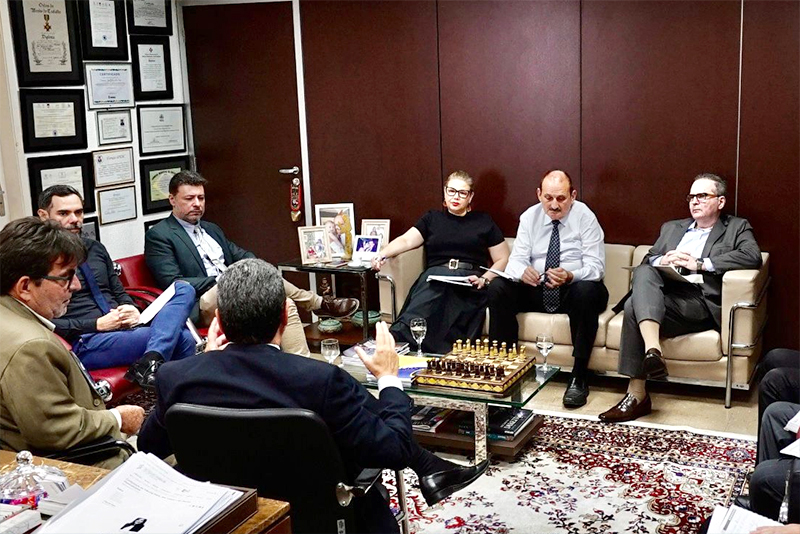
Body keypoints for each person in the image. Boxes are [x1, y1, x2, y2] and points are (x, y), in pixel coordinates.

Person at [137, 259, 488, 533]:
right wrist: (388, 379)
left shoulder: (176, 377)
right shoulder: (320, 380)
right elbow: (392, 449)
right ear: (283, 316)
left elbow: (149, 447)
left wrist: (205, 360)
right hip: (320, 521)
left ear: (220, 320)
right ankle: (429, 466)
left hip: (229, 517)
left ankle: (430, 467)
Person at [600, 173, 762, 423]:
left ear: (720, 201)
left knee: (634, 306)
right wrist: (662, 260)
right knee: (643, 273)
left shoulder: (736, 227)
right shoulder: (672, 227)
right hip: (664, 296)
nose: (694, 201)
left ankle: (637, 395)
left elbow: (752, 256)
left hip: (699, 301)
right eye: (691, 196)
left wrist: (701, 263)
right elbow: (649, 258)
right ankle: (652, 350)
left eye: (702, 196)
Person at [144, 170, 359, 357]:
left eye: (201, 198)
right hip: (201, 302)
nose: (197, 204)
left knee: (284, 303)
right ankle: (319, 304)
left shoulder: (211, 229)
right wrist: (222, 279)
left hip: (234, 290)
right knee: (251, 274)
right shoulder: (160, 235)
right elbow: (173, 282)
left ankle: (303, 366)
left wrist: (254, 267)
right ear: (172, 199)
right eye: (189, 198)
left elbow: (241, 254)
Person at [0, 217, 144, 468]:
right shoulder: (32, 346)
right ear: (25, 287)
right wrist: (118, 418)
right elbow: (56, 430)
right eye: (66, 277)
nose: (76, 286)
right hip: (75, 465)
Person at [38, 185, 197, 389]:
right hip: (88, 339)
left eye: (78, 212)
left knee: (184, 289)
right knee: (183, 338)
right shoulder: (41, 261)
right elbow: (45, 322)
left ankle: (152, 361)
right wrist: (97, 324)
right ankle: (157, 368)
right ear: (43, 216)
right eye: (64, 213)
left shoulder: (95, 248)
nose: (74, 219)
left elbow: (119, 290)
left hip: (125, 325)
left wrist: (130, 308)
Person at [487, 169, 608, 408]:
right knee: (498, 287)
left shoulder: (585, 217)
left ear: (573, 196)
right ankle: (505, 368)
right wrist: (523, 272)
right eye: (548, 198)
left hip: (572, 289)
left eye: (561, 198)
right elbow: (516, 261)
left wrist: (571, 275)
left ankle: (579, 376)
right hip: (537, 288)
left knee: (587, 291)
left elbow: (596, 267)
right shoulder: (529, 217)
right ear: (539, 194)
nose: (554, 205)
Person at [372, 171, 509, 354]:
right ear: (445, 192)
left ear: (470, 196)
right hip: (435, 278)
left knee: (446, 301)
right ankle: (396, 344)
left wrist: (485, 279)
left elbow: (503, 258)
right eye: (451, 191)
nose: (456, 197)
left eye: (462, 193)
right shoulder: (432, 219)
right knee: (429, 297)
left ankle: (435, 354)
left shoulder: (483, 221)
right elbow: (406, 240)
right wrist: (382, 254)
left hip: (468, 281)